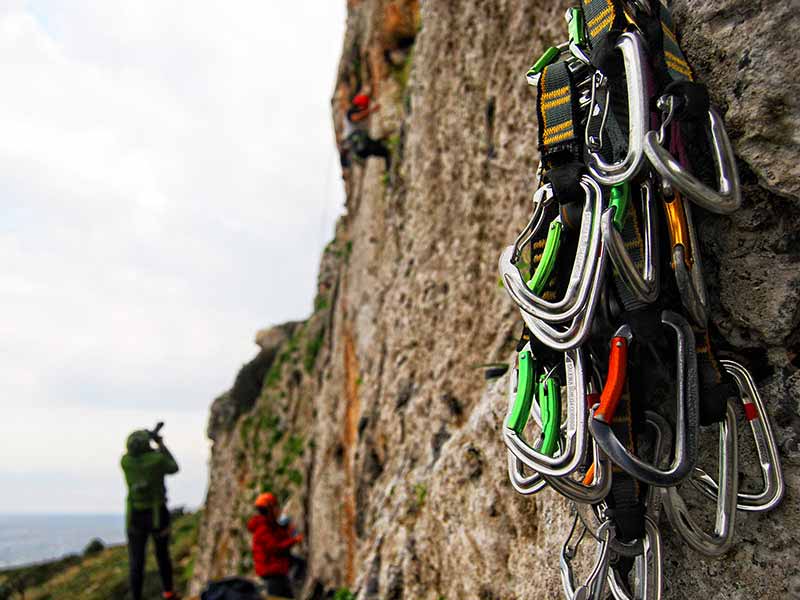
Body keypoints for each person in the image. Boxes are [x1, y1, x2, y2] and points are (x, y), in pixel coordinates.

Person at [121, 425, 180, 600]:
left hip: (134, 517)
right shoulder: (157, 461)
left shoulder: (125, 462)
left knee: (136, 561)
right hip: (157, 514)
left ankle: (136, 596)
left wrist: (146, 438)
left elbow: (138, 449)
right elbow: (174, 467)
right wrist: (160, 444)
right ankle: (168, 592)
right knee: (162, 555)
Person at [247, 492, 303, 599]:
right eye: (276, 506)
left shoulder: (269, 525)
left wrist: (288, 532)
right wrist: (294, 540)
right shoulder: (263, 529)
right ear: (270, 510)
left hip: (278, 573)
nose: (278, 510)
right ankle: (298, 584)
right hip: (272, 575)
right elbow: (275, 548)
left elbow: (279, 535)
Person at [340, 93, 391, 170]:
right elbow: (356, 118)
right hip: (355, 142)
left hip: (361, 143)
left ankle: (389, 172)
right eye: (364, 106)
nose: (365, 108)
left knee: (384, 150)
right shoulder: (351, 112)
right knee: (368, 144)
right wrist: (371, 110)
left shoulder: (360, 112)